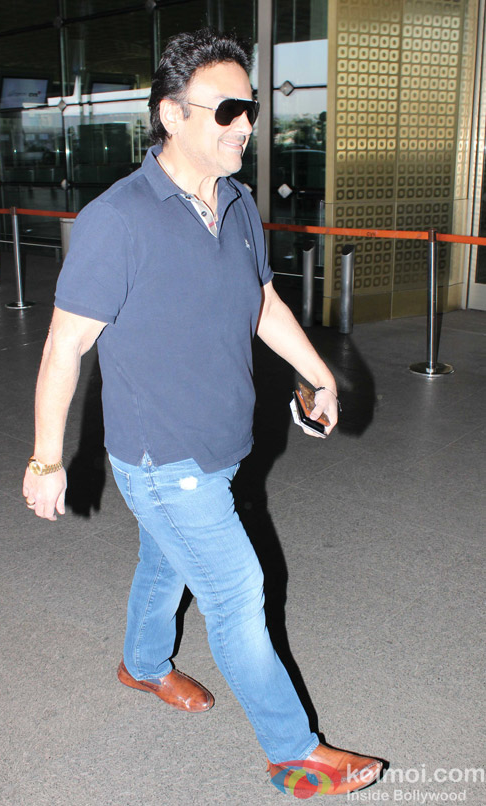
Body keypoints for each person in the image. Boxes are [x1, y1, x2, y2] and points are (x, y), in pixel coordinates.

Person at [22, 28, 382, 798]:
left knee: (164, 561)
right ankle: (294, 755)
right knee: (236, 595)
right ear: (171, 114)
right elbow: (63, 346)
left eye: (249, 109)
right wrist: (47, 458)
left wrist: (318, 374)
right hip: (162, 457)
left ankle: (142, 665)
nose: (243, 125)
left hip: (220, 444)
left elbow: (262, 302)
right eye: (225, 110)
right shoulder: (119, 219)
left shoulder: (238, 202)